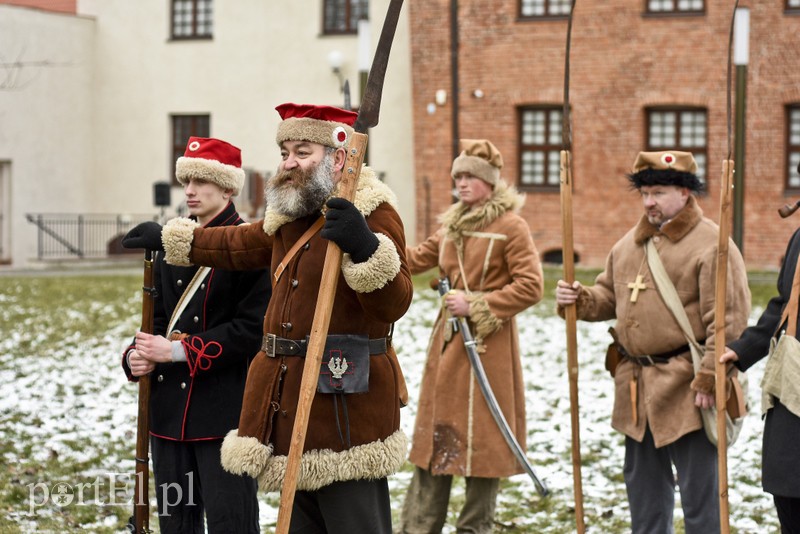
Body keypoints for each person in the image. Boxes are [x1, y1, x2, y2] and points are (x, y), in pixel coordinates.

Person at [123, 103, 413, 533]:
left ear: (338, 157)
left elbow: (396, 303)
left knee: (354, 521)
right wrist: (172, 238)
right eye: (284, 152)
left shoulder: (373, 212)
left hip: (347, 406)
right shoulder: (290, 219)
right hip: (292, 401)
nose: (289, 163)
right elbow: (235, 245)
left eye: (302, 152)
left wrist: (365, 246)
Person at [554, 150, 751, 534]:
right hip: (636, 388)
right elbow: (608, 297)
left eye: (658, 192)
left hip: (687, 388)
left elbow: (727, 322)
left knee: (701, 501)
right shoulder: (630, 243)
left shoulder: (713, 244)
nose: (649, 202)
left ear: (684, 192)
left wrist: (711, 377)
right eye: (644, 193)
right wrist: (580, 300)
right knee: (644, 497)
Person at [122, 136, 271, 533]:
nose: (189, 191)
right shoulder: (174, 243)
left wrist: (174, 351)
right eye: (185, 181)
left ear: (226, 187)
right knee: (177, 524)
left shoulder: (248, 246)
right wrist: (135, 356)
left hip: (223, 415)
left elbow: (250, 331)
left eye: (200, 181)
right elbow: (155, 320)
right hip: (169, 415)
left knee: (231, 522)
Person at [399, 139, 544, 533]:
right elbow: (414, 259)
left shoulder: (512, 226)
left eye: (469, 177)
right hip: (447, 348)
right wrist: (369, 246)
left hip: (487, 349)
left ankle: (475, 527)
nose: (461, 184)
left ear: (490, 183)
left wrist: (477, 304)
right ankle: (418, 526)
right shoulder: (452, 225)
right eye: (457, 177)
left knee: (485, 447)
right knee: (435, 441)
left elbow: (532, 285)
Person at [720, 161, 800, 533]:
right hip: (792, 384)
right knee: (789, 493)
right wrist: (744, 349)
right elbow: (785, 304)